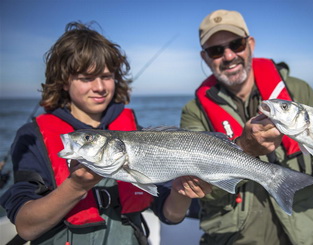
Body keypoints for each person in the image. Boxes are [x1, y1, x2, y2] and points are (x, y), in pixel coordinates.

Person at [0, 21, 211, 245]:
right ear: (63, 81)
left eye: (107, 76)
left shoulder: (134, 132)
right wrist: (76, 186)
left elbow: (170, 215)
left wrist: (181, 193)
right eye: (86, 78)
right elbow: (25, 227)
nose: (100, 87)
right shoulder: (34, 137)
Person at [180, 9, 313, 245]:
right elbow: (201, 187)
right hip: (236, 238)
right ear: (205, 57)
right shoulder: (194, 112)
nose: (228, 56)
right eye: (216, 50)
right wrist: (243, 148)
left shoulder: (297, 90)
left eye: (237, 44)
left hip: (306, 235)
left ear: (251, 44)